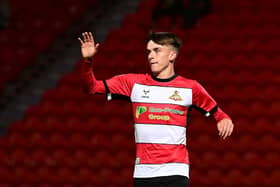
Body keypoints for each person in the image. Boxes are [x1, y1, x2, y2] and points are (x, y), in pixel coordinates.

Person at [78, 32, 234, 187]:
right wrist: (87, 60)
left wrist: (223, 119)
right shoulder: (133, 83)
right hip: (143, 172)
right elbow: (92, 87)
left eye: (157, 50)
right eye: (149, 51)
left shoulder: (190, 87)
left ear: (172, 55)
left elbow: (219, 113)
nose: (151, 56)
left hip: (175, 171)